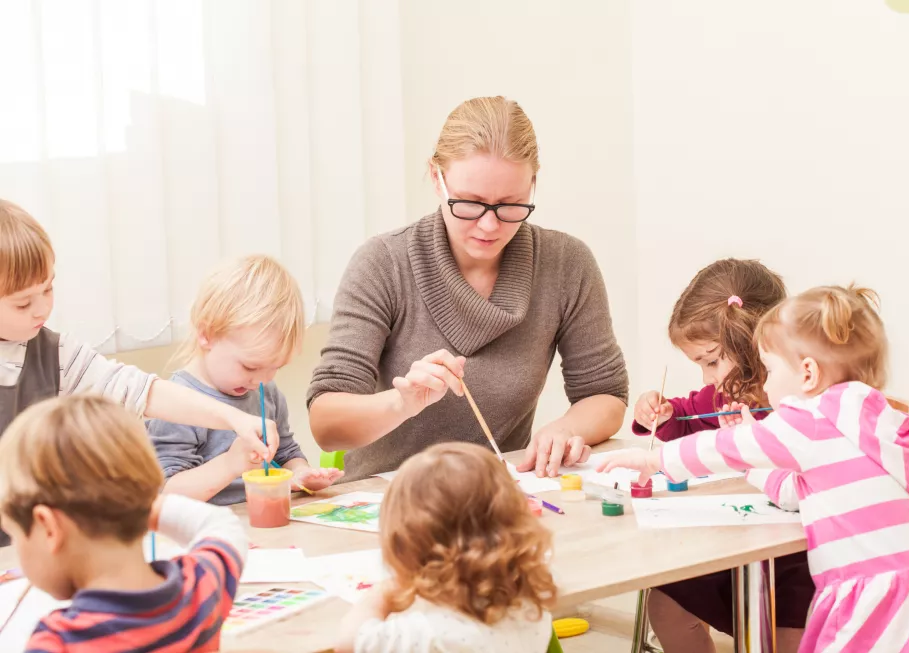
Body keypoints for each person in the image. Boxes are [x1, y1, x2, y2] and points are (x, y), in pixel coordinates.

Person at [599, 285, 909, 651]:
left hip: (870, 599)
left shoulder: (811, 416)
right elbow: (797, 491)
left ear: (808, 374)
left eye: (769, 371)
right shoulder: (870, 422)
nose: (764, 384)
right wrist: (754, 463)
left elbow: (723, 447)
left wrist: (655, 460)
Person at [307, 96, 629, 482]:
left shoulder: (566, 264)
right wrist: (401, 402)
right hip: (387, 502)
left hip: (498, 496)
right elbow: (325, 425)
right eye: (470, 203)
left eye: (511, 204)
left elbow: (605, 394)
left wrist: (564, 429)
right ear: (436, 178)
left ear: (533, 185)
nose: (489, 226)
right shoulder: (383, 263)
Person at [0, 199, 278, 545]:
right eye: (23, 302)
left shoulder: (54, 352)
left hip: (28, 549)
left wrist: (232, 418)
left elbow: (139, 391)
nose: (42, 308)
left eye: (49, 288)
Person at [632, 259, 811, 652]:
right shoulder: (723, 395)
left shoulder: (801, 399)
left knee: (788, 639)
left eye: (712, 361)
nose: (707, 378)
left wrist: (756, 439)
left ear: (755, 340)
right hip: (727, 548)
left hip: (798, 557)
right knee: (667, 601)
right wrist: (660, 413)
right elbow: (687, 417)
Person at [0, 395, 249, 652]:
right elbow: (220, 526)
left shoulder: (58, 643)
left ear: (48, 528)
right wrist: (137, 502)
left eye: (15, 535)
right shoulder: (202, 588)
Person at [148, 255, 343, 504]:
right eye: (250, 366)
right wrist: (230, 464)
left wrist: (299, 474)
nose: (260, 381)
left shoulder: (266, 392)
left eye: (276, 368)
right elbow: (166, 493)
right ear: (206, 335)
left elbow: (286, 452)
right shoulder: (176, 404)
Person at [335, 442, 556, 652]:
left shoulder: (429, 635)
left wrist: (382, 594)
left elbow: (348, 643)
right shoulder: (530, 606)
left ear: (406, 548)